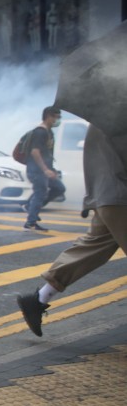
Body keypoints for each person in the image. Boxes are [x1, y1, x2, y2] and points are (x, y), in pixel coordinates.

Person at [17, 125, 127, 335]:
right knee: (90, 248)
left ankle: (39, 299)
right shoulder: (118, 116)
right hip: (120, 198)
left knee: (90, 250)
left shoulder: (102, 118)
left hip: (106, 195)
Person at [23, 106, 66, 232]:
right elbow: (35, 152)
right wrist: (45, 170)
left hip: (46, 170)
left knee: (59, 188)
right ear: (49, 116)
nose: (58, 120)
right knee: (40, 193)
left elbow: (47, 153)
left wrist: (51, 169)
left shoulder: (49, 132)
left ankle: (30, 207)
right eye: (56, 117)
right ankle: (31, 222)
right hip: (37, 171)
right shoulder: (40, 132)